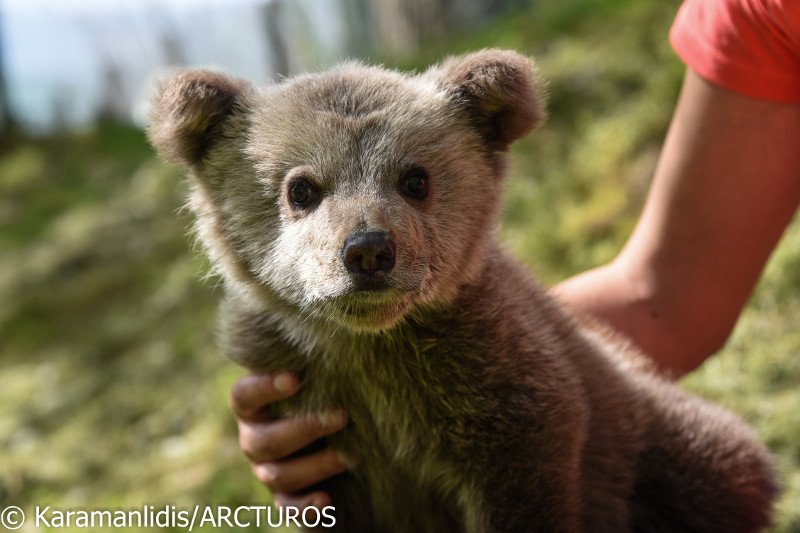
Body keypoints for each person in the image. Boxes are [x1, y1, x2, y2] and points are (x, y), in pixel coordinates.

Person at [229, 0, 800, 508]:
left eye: (414, 187)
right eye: (302, 194)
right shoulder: (760, 12)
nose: (368, 241)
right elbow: (666, 295)